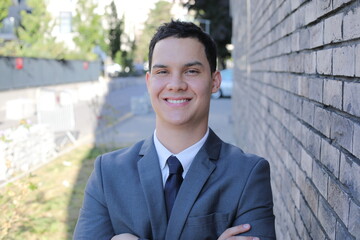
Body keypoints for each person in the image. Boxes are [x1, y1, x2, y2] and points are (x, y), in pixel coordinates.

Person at [73, 20, 276, 240]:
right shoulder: (108, 173)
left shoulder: (247, 173)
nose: (176, 84)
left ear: (214, 81)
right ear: (149, 81)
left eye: (191, 71)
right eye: (163, 72)